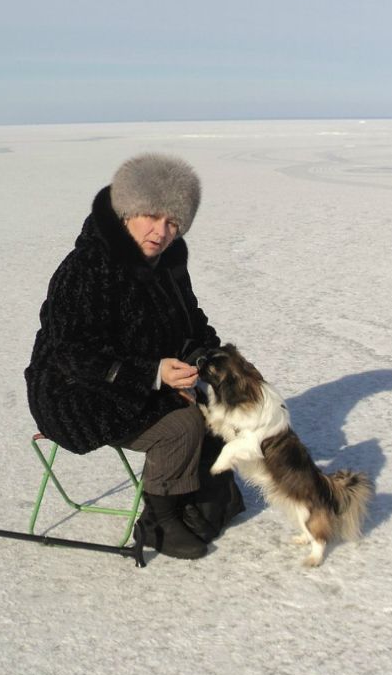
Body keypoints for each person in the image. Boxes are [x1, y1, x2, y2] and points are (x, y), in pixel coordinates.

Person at [25, 153, 243, 559]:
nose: (161, 231)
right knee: (182, 425)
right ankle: (159, 523)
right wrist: (153, 374)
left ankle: (196, 505)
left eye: (173, 223)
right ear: (127, 211)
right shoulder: (87, 269)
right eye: (152, 216)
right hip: (74, 393)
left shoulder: (169, 262)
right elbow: (73, 356)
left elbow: (190, 320)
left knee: (219, 409)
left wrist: (212, 360)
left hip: (136, 380)